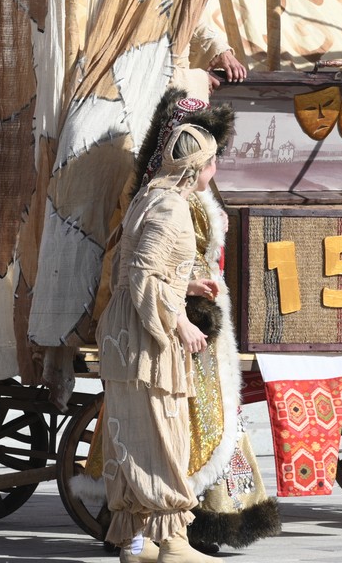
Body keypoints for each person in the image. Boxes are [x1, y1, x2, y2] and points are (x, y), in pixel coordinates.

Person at [97, 121, 223, 563]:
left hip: (126, 332)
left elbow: (131, 267)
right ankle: (173, 544)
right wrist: (179, 323)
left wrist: (187, 287)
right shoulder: (171, 208)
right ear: (195, 168)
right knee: (162, 437)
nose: (216, 168)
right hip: (146, 338)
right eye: (212, 161)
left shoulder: (148, 197)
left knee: (131, 439)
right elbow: (141, 275)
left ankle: (136, 545)